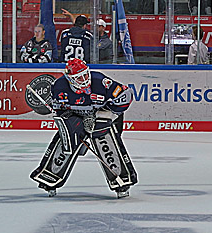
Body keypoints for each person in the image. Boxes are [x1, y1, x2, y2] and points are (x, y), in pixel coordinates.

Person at [30, 59, 137, 197]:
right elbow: (58, 109)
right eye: (79, 77)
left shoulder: (100, 81)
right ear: (69, 78)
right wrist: (67, 117)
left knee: (104, 138)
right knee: (67, 137)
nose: (85, 80)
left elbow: (126, 96)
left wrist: (104, 114)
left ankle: (121, 181)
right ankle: (50, 176)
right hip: (77, 116)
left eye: (85, 75)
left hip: (102, 115)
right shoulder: (59, 87)